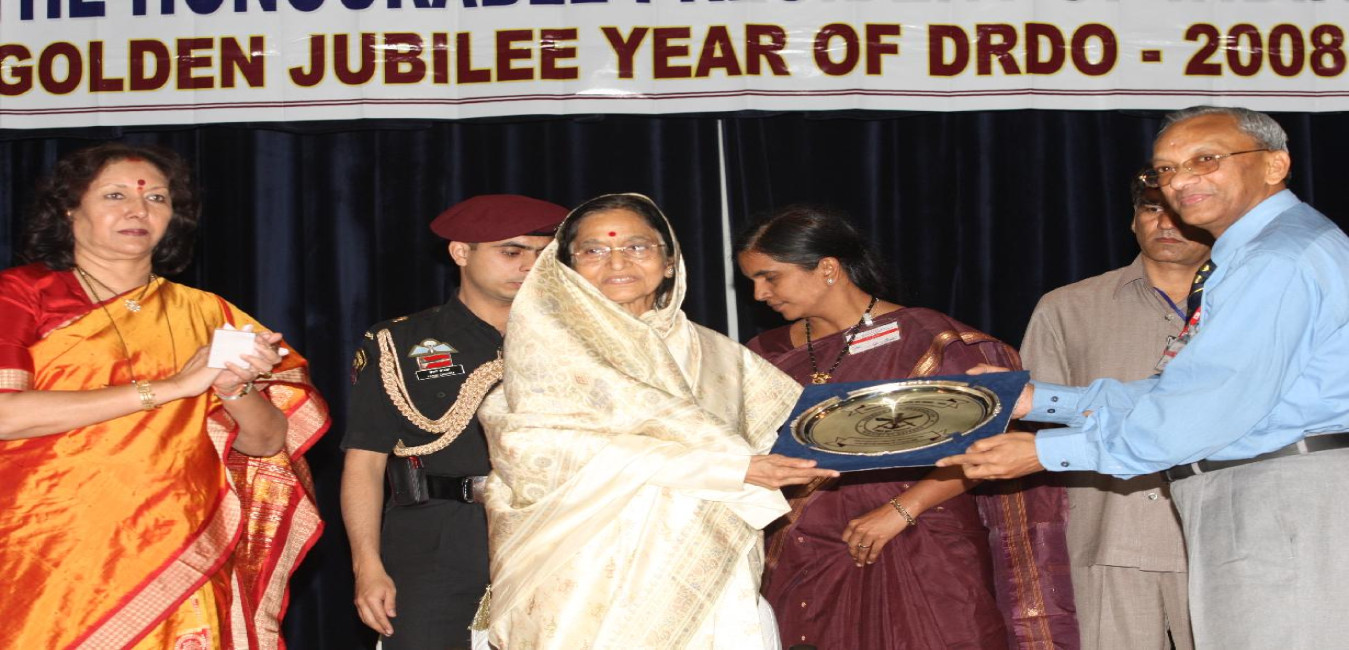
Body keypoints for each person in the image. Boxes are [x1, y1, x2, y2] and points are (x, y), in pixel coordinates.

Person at [939, 106, 1349, 648]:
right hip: (1267, 497)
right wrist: (1039, 401)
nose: (1181, 181)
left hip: (1281, 500)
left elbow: (1202, 410)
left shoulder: (1277, 259)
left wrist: (1045, 452)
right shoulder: (1262, 253)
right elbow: (1181, 391)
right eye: (1166, 169)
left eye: (1206, 159)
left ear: (1275, 165)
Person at [0, 143, 328, 649]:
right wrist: (172, 388)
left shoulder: (206, 313)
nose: (138, 210)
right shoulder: (20, 296)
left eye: (156, 198)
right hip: (49, 551)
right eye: (115, 195)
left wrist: (234, 387)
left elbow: (267, 443)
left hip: (179, 551)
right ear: (69, 210)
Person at [476, 193, 838, 649]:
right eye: (594, 250)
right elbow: (531, 449)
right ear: (566, 267)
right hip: (587, 570)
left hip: (708, 562)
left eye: (637, 246)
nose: (617, 262)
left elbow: (779, 441)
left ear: (669, 262)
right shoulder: (548, 349)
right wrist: (728, 469)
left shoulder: (720, 355)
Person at [736, 205, 1078, 650]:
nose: (759, 294)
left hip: (920, 542)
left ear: (827, 269)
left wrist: (902, 509)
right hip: (802, 552)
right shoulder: (765, 354)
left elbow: (992, 446)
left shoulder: (929, 340)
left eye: (770, 277)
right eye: (752, 281)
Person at [340, 194, 567, 649]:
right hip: (435, 536)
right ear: (461, 252)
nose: (529, 265)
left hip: (551, 530)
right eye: (512, 251)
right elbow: (364, 463)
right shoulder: (398, 342)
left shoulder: (573, 340)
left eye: (542, 253)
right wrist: (366, 565)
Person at [1021, 177, 1209, 650]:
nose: (1165, 223)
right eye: (1151, 208)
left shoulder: (1248, 304)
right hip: (1107, 535)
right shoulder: (1067, 308)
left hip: (1219, 539)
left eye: (1180, 210)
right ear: (1132, 219)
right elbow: (1035, 428)